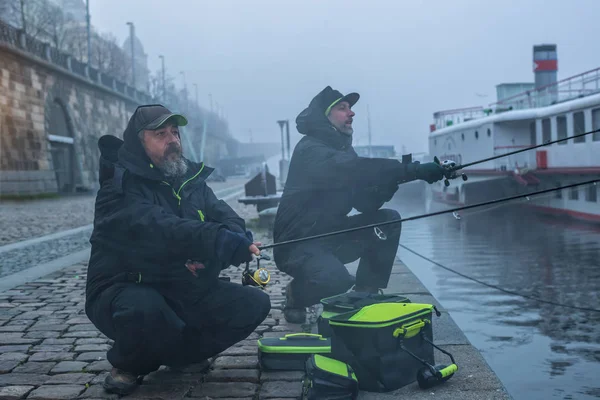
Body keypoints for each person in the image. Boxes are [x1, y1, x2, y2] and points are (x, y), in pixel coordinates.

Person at [85, 104, 271, 395]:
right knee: (145, 309)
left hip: (180, 284)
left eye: (175, 132)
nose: (172, 139)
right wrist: (216, 241)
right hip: (125, 285)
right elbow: (158, 227)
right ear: (138, 142)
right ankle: (130, 364)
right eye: (160, 134)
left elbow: (228, 218)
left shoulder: (190, 181)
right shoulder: (118, 187)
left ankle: (181, 354)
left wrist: (230, 244)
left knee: (253, 304)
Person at [273, 86, 446, 323]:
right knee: (336, 281)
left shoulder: (343, 149)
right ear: (325, 116)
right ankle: (297, 295)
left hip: (333, 234)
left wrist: (396, 179)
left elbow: (365, 203)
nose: (351, 113)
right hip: (298, 244)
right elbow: (355, 169)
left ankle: (365, 295)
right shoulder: (310, 149)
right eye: (342, 108)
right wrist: (411, 169)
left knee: (388, 220)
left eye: (351, 108)